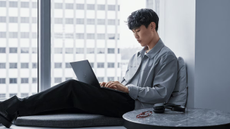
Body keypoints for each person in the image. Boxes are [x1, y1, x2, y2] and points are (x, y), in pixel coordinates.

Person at [0, 8, 178, 128]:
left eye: (138, 31)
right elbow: (127, 84)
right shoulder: (137, 56)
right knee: (69, 100)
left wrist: (126, 88)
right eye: (133, 33)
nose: (136, 36)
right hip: (122, 98)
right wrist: (113, 86)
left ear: (152, 26)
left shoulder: (166, 57)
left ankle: (13, 106)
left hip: (134, 106)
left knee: (72, 87)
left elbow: (161, 94)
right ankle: (14, 110)